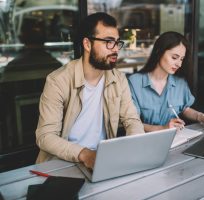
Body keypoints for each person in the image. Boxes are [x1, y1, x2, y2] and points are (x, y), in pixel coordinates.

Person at [35, 12, 144, 169]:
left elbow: (132, 120)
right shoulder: (58, 81)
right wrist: (84, 154)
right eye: (108, 42)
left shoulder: (118, 79)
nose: (115, 50)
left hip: (102, 161)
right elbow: (45, 136)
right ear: (87, 44)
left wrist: (135, 144)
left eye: (117, 42)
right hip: (62, 163)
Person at [128, 31, 204, 132]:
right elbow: (132, 123)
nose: (179, 64)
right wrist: (163, 128)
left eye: (182, 59)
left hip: (176, 140)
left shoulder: (180, 82)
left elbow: (185, 109)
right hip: (145, 142)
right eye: (174, 57)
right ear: (159, 52)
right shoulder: (135, 82)